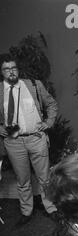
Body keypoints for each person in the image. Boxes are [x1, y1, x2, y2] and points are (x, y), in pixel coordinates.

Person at [0, 54, 58, 226]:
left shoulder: (33, 85)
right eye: (6, 69)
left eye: (13, 68)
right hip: (13, 143)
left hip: (36, 138)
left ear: (18, 69)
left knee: (45, 178)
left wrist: (48, 122)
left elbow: (51, 104)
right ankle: (27, 211)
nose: (11, 72)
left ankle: (51, 208)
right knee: (22, 180)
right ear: (2, 72)